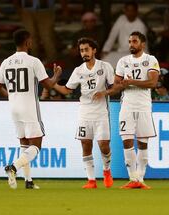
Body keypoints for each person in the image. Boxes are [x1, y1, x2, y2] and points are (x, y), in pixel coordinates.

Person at [0, 29, 62, 189]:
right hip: (29, 107)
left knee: (24, 144)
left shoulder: (6, 62)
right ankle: (13, 167)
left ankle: (28, 181)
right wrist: (57, 75)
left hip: (14, 107)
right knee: (36, 146)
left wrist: (11, 96)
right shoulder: (33, 61)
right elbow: (48, 85)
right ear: (27, 42)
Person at [54, 38, 115, 189]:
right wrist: (52, 81)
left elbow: (116, 87)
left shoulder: (105, 66)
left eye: (86, 49)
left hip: (101, 112)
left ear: (94, 50)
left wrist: (105, 92)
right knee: (85, 144)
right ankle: (91, 180)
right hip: (85, 112)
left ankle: (107, 171)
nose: (84, 53)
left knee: (103, 145)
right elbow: (66, 90)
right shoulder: (78, 70)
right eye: (81, 50)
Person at [114, 31, 159, 189]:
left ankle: (140, 178)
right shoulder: (123, 61)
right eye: (130, 41)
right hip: (127, 105)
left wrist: (131, 81)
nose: (131, 44)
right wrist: (121, 84)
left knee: (142, 143)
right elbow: (117, 83)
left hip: (143, 105)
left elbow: (152, 83)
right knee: (126, 141)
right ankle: (133, 178)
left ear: (143, 44)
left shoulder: (151, 60)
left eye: (134, 41)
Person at [101, 1, 147, 68]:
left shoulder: (140, 25)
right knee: (105, 61)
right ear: (125, 11)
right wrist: (105, 49)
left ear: (136, 12)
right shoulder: (121, 19)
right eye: (128, 10)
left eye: (132, 11)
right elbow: (112, 35)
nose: (130, 13)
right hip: (121, 53)